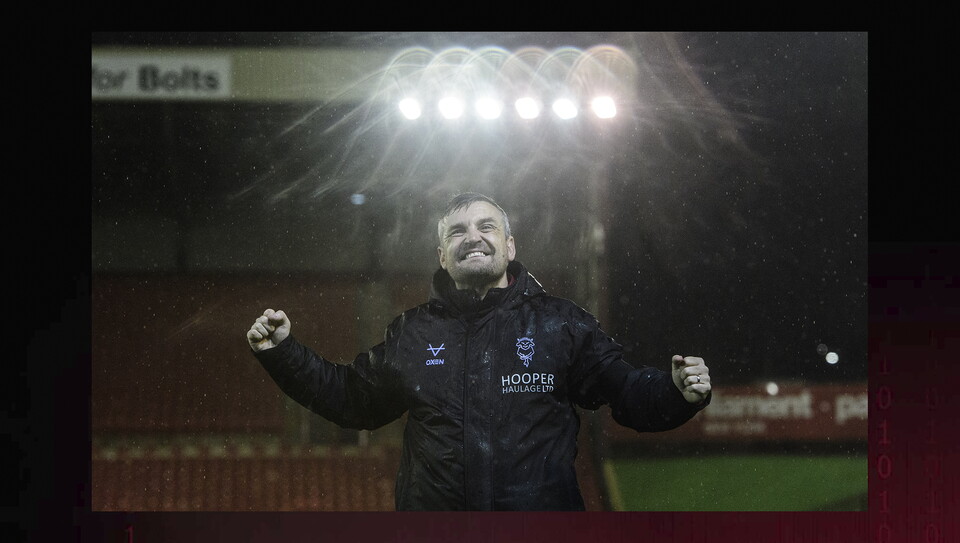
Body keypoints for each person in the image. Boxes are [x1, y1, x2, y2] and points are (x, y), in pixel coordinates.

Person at [246, 192, 711, 511]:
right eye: (457, 231)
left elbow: (627, 392)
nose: (473, 236)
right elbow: (351, 399)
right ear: (442, 256)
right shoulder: (412, 331)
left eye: (487, 226)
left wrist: (673, 391)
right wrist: (284, 351)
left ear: (509, 246)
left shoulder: (560, 323)